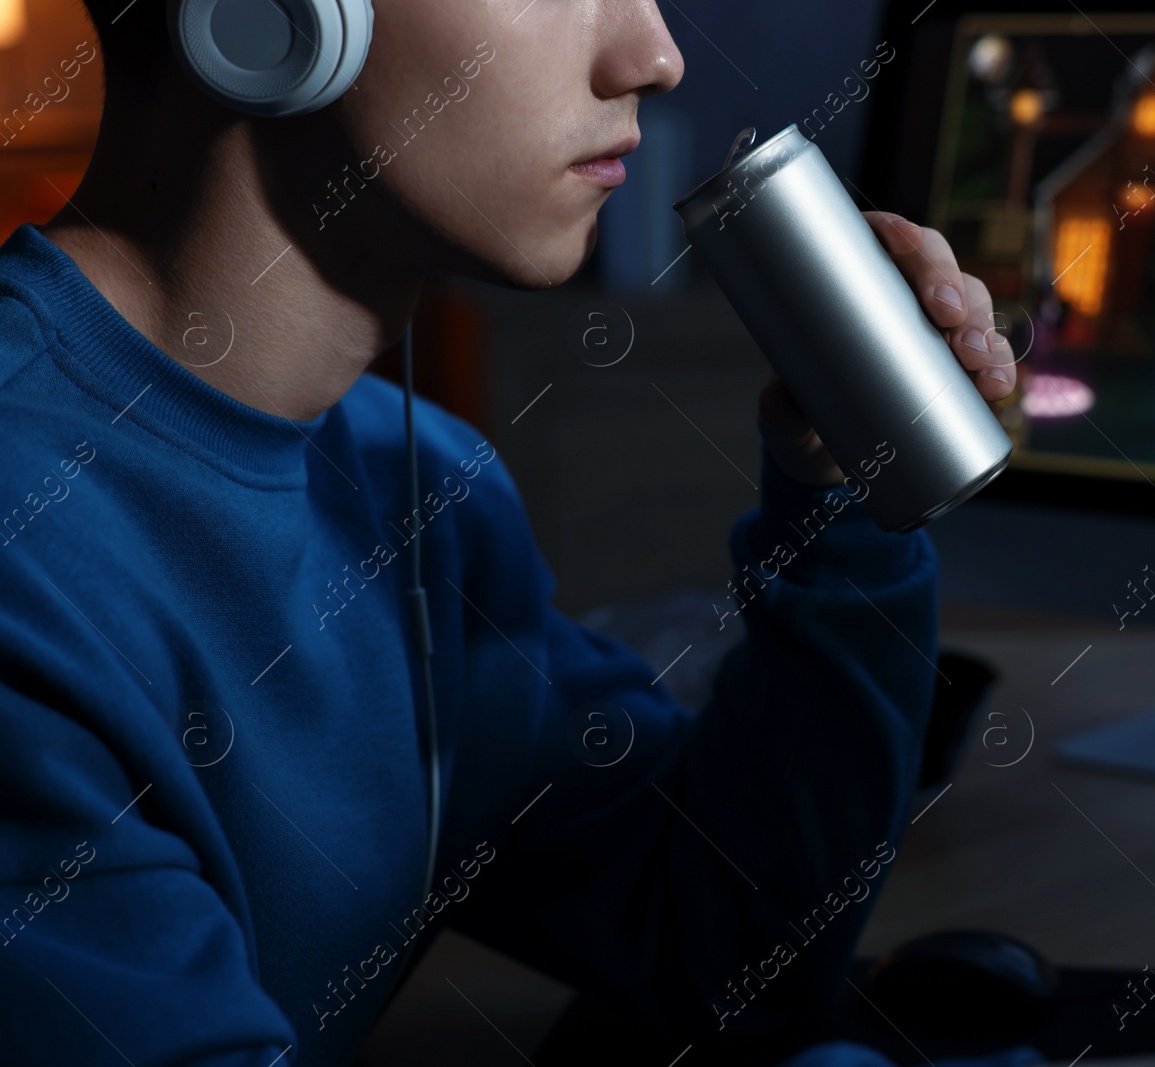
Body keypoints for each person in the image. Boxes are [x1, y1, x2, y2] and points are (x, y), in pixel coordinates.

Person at [0, 1, 1018, 1064]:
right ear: (265, 21)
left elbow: (727, 949)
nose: (655, 57)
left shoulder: (423, 488)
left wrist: (836, 486)